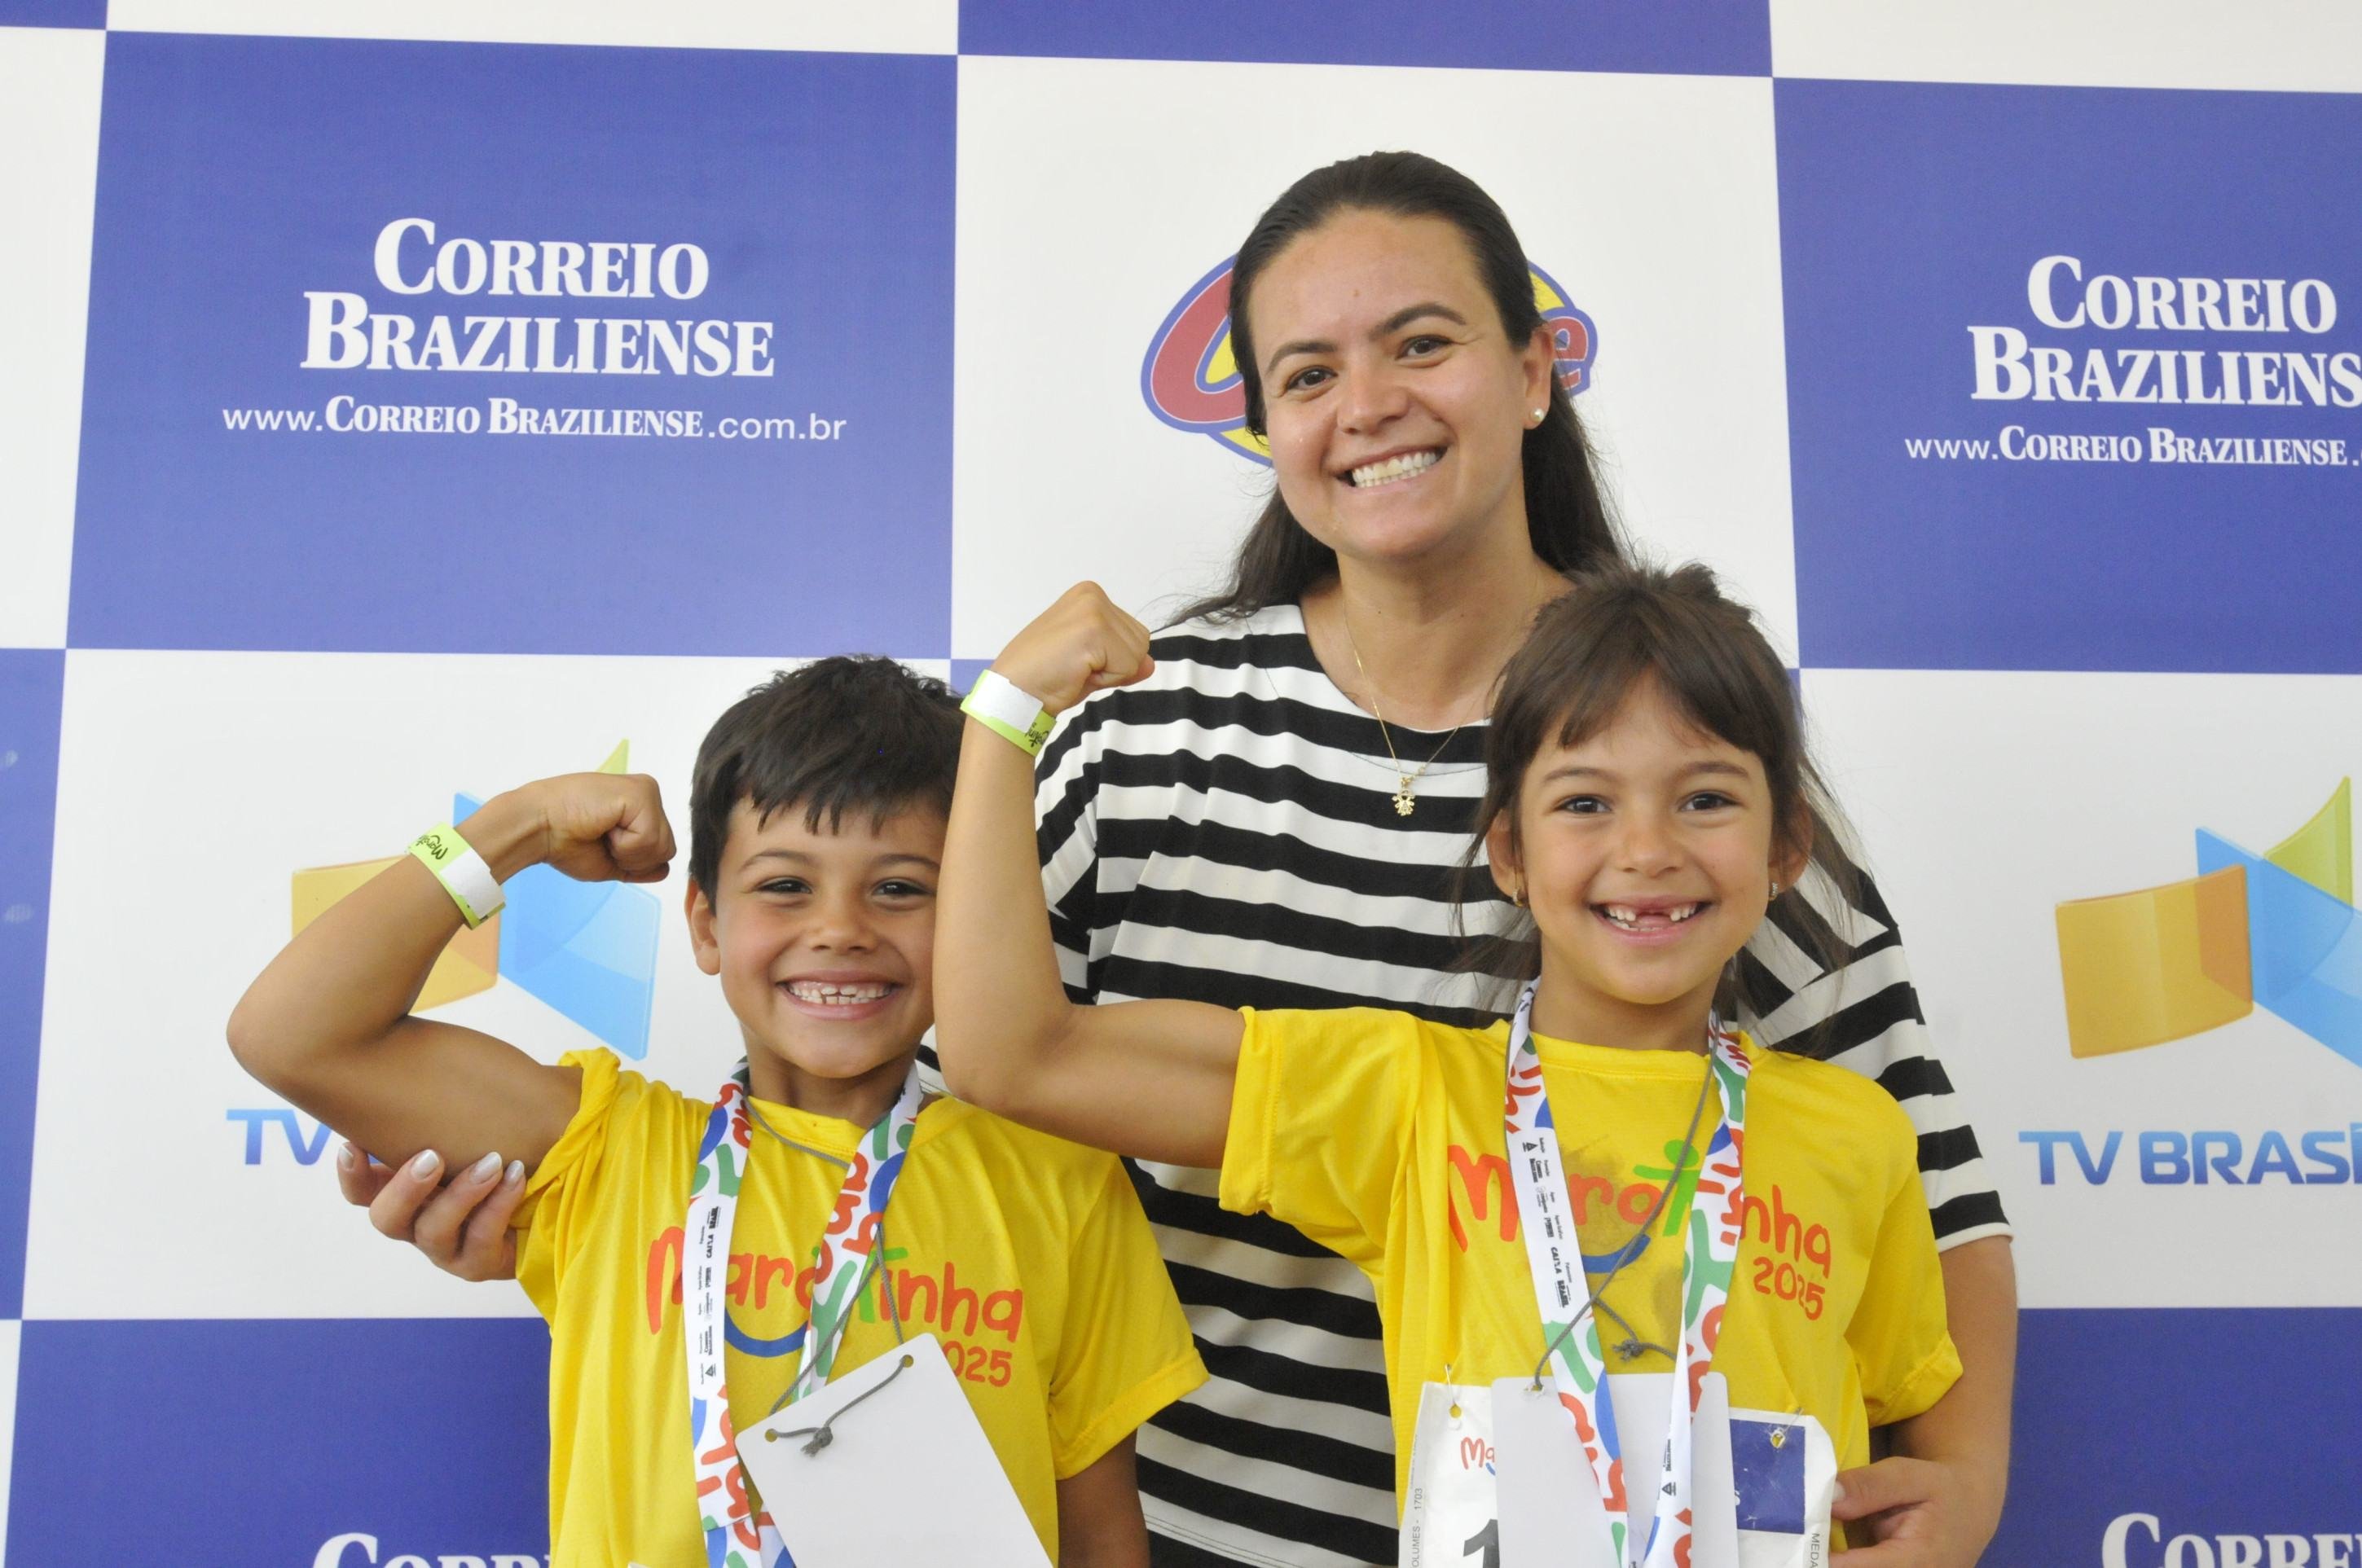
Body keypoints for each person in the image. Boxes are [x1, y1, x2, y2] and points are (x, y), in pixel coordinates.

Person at [342, 151, 2014, 1567]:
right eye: (1306, 373)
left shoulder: (1672, 743)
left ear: (1530, 369)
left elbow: (1921, 1173)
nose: (1367, 405)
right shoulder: (1146, 725)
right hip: (1182, 1527)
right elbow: (908, 1085)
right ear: (1268, 423)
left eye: (1421, 342)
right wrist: (590, 1216)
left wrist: (1975, 1466)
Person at [936, 561, 1961, 1566]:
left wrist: (1956, 1502)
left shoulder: (1857, 1131)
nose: (1646, 849)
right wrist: (1003, 716)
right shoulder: (1405, 1096)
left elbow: (1906, 1399)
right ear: (1508, 854)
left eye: (1704, 799)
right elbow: (1016, 1055)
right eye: (1584, 803)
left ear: (1787, 849)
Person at [229, 657, 1207, 1567]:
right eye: (784, 885)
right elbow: (292, 1033)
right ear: (704, 922)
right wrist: (513, 827)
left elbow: (1099, 1534)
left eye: (900, 889)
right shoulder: (606, 1147)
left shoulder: (1064, 1183)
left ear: (973, 920)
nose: (839, 929)